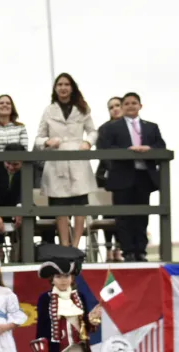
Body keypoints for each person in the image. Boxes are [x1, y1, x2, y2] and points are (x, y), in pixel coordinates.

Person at [97, 92, 166, 262]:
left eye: (134, 103)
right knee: (123, 217)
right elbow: (104, 148)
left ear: (140, 106)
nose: (130, 106)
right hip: (122, 176)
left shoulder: (151, 126)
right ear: (122, 106)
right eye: (126, 103)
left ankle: (141, 250)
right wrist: (126, 154)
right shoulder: (111, 127)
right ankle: (127, 251)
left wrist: (148, 149)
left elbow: (161, 146)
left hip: (144, 176)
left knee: (142, 216)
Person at [34, 73, 98, 248]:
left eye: (66, 84)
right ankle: (64, 244)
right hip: (56, 163)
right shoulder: (49, 110)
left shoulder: (83, 109)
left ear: (72, 87)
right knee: (60, 207)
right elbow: (38, 138)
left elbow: (93, 131)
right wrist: (48, 142)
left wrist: (87, 142)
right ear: (55, 88)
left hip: (78, 160)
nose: (63, 87)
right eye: (60, 84)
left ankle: (76, 245)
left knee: (80, 207)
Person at [95, 97, 124, 262]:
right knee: (107, 214)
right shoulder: (103, 129)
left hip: (127, 178)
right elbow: (101, 152)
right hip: (106, 176)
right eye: (111, 107)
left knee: (123, 213)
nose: (114, 109)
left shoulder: (132, 129)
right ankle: (107, 249)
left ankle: (119, 248)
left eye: (117, 105)